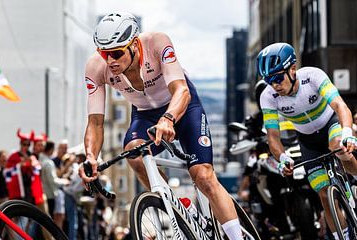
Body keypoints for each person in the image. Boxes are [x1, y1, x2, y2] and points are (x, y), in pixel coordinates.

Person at [79, 11, 243, 238]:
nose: (111, 61)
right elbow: (96, 122)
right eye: (104, 53)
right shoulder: (96, 68)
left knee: (203, 176)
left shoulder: (157, 43)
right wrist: (90, 156)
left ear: (134, 44)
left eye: (116, 53)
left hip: (182, 106)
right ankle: (179, 208)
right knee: (133, 154)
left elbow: (181, 90)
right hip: (145, 114)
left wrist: (168, 118)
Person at [256, 42, 357, 240]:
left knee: (338, 146)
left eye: (278, 78)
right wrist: (282, 158)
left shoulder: (312, 76)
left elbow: (340, 106)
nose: (275, 85)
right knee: (323, 194)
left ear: (292, 69)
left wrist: (347, 132)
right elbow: (273, 137)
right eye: (269, 80)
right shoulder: (269, 96)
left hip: (330, 124)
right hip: (308, 140)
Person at [4, 129, 44, 205]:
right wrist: (19, 165)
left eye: (28, 144)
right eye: (24, 144)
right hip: (17, 189)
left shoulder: (32, 156)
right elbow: (7, 171)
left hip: (29, 189)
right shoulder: (14, 156)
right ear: (20, 144)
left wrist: (31, 164)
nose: (26, 146)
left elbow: (37, 171)